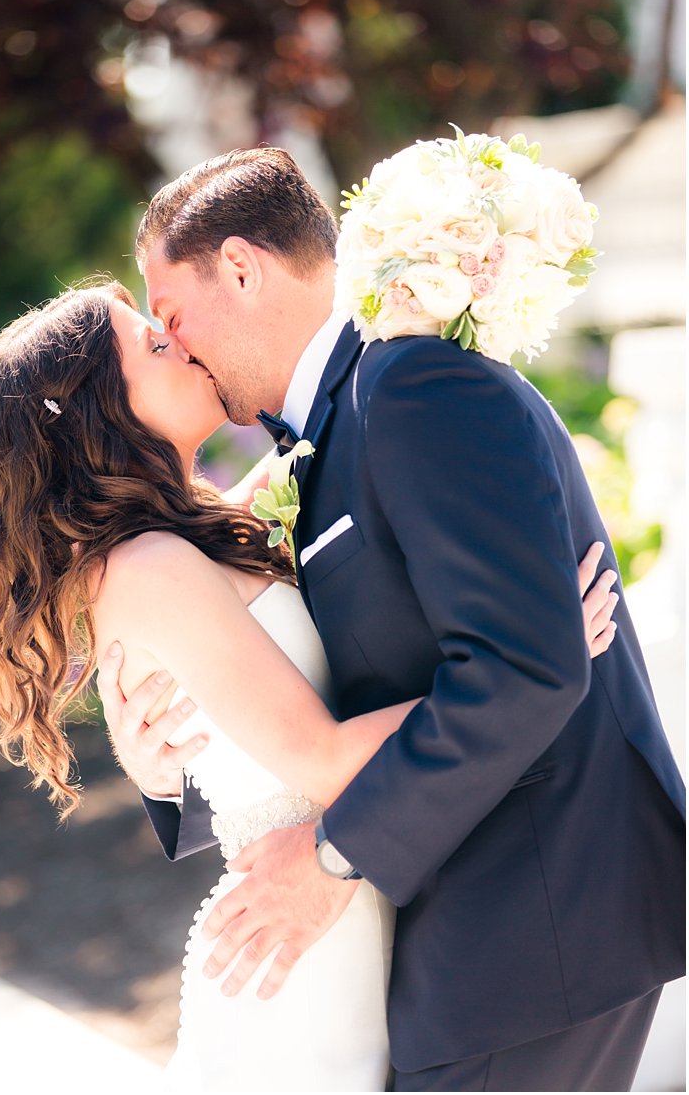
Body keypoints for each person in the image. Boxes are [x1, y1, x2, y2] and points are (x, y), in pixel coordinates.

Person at [104, 147, 685, 1090]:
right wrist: (158, 769)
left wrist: (330, 857)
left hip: (540, 927)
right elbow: (304, 711)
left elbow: (525, 672)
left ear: (243, 268)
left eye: (171, 315)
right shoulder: (322, 440)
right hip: (461, 946)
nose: (178, 343)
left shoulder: (412, 389)